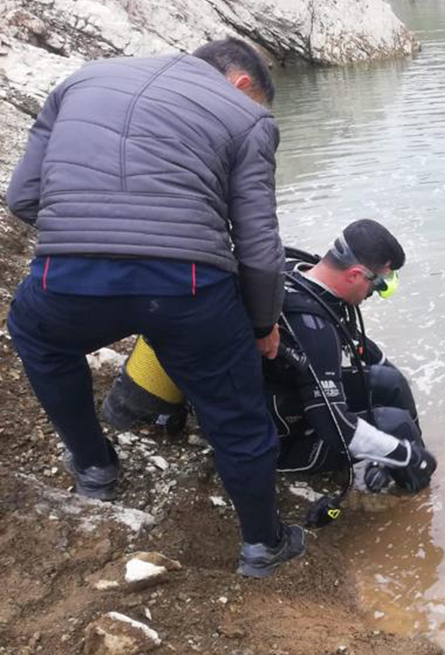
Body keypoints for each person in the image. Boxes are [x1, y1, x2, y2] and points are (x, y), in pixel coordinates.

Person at [4, 38, 302, 578]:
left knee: (37, 337)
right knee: (236, 413)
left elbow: (23, 197)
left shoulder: (81, 79)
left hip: (67, 276)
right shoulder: (246, 118)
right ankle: (263, 545)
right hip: (187, 285)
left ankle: (94, 468)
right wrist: (262, 324)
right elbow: (259, 247)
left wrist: (84, 238)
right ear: (242, 85)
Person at [265, 219, 436, 496]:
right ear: (355, 274)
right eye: (378, 284)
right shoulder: (312, 328)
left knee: (391, 382)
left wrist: (395, 452)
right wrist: (405, 454)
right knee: (395, 425)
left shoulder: (302, 276)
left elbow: (363, 348)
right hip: (280, 442)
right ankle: (419, 494)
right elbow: (336, 428)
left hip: (292, 397)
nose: (375, 293)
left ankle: (411, 461)